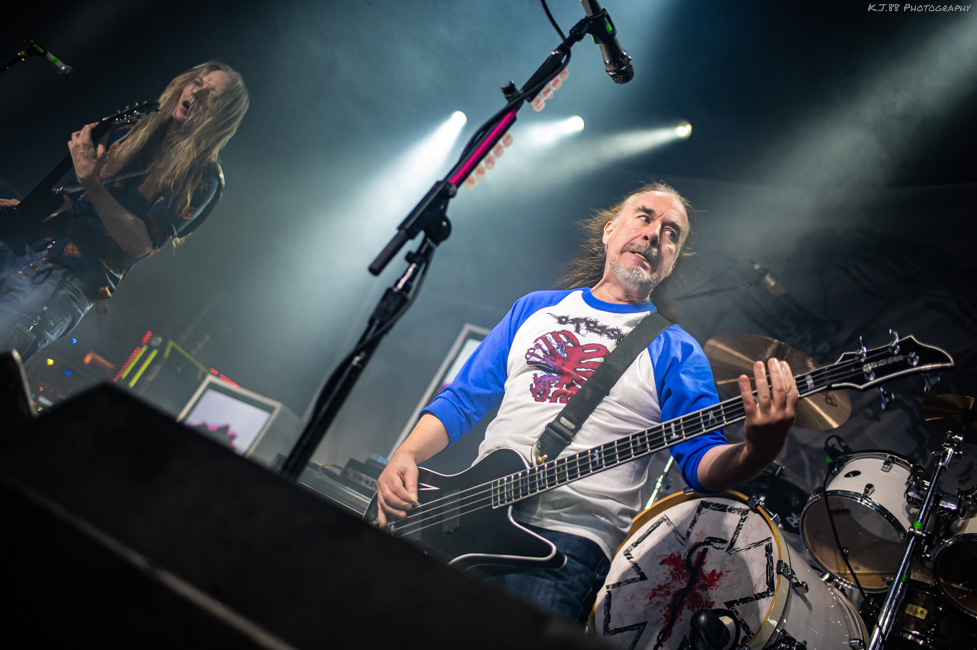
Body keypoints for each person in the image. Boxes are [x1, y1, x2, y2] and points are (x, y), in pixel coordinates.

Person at [375, 182, 799, 625]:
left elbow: (699, 461)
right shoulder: (534, 309)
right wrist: (407, 454)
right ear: (610, 230)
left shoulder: (677, 350)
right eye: (645, 216)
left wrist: (756, 451)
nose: (656, 234)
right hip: (470, 516)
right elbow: (463, 400)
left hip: (568, 546)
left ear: (672, 260)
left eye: (672, 232)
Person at [0, 61, 249, 363]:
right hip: (24, 251)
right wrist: (29, 209)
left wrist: (90, 181)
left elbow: (139, 244)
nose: (197, 94)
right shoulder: (130, 131)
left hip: (63, 280)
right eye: (197, 83)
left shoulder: (202, 179)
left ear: (222, 115)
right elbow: (78, 199)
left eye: (212, 95)